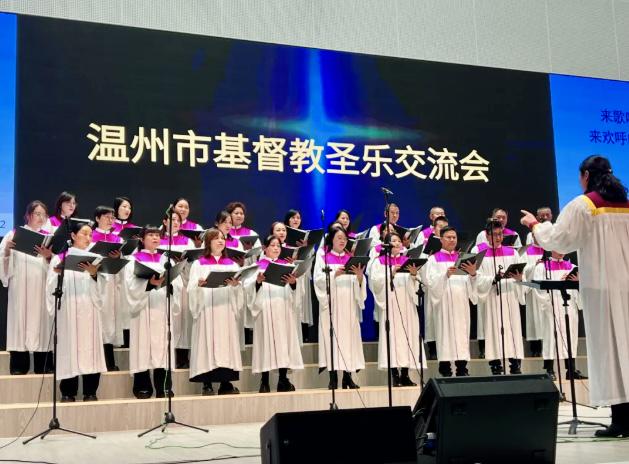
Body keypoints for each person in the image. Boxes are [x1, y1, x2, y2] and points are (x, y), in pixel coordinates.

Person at [521, 155, 629, 437]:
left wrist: (535, 225)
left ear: (584, 175)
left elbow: (559, 239)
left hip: (603, 288)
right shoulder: (626, 205)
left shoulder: (585, 205)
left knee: (611, 351)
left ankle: (622, 419)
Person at [46, 222, 106, 402]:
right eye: (84, 234)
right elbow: (50, 287)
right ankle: (68, 391)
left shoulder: (95, 258)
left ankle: (90, 391)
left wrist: (94, 274)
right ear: (73, 235)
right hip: (69, 311)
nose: (88, 238)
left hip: (89, 310)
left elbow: (102, 288)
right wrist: (58, 273)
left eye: (90, 235)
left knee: (91, 349)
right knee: (69, 348)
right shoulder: (60, 258)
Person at [125, 225, 183, 399]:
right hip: (142, 309)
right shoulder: (133, 260)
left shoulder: (167, 261)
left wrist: (169, 284)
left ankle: (164, 386)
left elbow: (178, 284)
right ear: (142, 239)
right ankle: (143, 386)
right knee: (142, 346)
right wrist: (149, 284)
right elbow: (129, 286)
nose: (155, 238)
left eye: (157, 235)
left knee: (162, 348)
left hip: (161, 307)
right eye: (151, 235)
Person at [187, 228, 244, 395]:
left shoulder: (232, 264)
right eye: (216, 238)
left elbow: (238, 290)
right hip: (207, 310)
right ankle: (207, 383)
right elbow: (191, 288)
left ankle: (226, 382)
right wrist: (198, 286)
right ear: (208, 242)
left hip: (225, 310)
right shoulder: (199, 264)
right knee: (208, 342)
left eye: (223, 238)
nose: (220, 241)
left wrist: (235, 286)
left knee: (225, 343)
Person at [0, 201, 53, 374]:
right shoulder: (13, 234)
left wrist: (48, 256)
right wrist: (7, 251)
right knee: (19, 322)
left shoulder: (49, 238)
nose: (40, 217)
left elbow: (57, 266)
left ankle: (43, 365)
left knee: (42, 323)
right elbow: (3, 262)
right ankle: (19, 366)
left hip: (41, 287)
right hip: (21, 287)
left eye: (43, 215)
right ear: (28, 215)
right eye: (37, 213)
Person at [247, 235, 303, 392]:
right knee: (265, 342)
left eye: (278, 245)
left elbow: (295, 292)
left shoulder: (286, 266)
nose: (276, 248)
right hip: (265, 309)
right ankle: (264, 381)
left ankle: (282, 379)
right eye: (272, 245)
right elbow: (248, 288)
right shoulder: (258, 266)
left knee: (283, 343)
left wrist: (293, 284)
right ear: (265, 248)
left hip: (283, 308)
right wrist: (257, 282)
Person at [314, 227, 366, 389]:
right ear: (331, 240)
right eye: (339, 238)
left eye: (344, 238)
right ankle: (333, 378)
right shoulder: (324, 257)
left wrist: (359, 277)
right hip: (332, 304)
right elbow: (318, 279)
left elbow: (360, 285)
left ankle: (348, 377)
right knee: (332, 340)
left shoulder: (351, 258)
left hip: (349, 305)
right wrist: (333, 275)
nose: (342, 241)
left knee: (349, 340)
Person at [368, 231, 423, 386]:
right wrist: (391, 273)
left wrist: (413, 275)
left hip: (407, 304)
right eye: (394, 241)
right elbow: (375, 283)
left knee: (408, 337)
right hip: (391, 304)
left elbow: (416, 284)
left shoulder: (408, 260)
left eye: (399, 241)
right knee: (393, 337)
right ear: (386, 244)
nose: (398, 243)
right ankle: (395, 375)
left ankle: (405, 374)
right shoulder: (379, 262)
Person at [424, 226, 478, 377]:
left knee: (461, 334)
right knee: (445, 334)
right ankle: (445, 369)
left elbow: (470, 282)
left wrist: (473, 274)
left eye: (454, 237)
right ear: (441, 239)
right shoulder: (433, 259)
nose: (452, 240)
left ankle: (462, 368)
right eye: (448, 237)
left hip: (460, 302)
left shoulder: (463, 258)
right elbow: (430, 282)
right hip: (444, 303)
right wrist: (445, 275)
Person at [474, 221, 525, 375]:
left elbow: (521, 273)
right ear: (487, 236)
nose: (498, 237)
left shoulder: (512, 253)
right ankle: (496, 365)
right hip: (492, 297)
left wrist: (519, 277)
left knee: (513, 329)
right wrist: (493, 279)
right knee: (493, 329)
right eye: (494, 234)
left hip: (510, 295)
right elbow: (477, 277)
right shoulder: (480, 253)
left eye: (500, 234)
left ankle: (515, 364)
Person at [530, 251, 583, 380]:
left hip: (569, 304)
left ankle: (571, 369)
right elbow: (537, 288)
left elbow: (580, 288)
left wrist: (577, 282)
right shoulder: (542, 267)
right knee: (551, 336)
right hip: (551, 305)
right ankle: (549, 369)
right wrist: (551, 295)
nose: (561, 251)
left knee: (570, 335)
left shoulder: (571, 267)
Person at [91, 206, 124, 371]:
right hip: (95, 282)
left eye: (112, 217)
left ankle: (109, 360)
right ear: (97, 218)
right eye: (106, 217)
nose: (111, 220)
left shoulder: (117, 239)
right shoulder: (90, 236)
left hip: (111, 282)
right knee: (98, 319)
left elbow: (124, 262)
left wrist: (119, 257)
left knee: (110, 320)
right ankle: (97, 360)